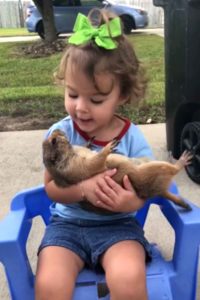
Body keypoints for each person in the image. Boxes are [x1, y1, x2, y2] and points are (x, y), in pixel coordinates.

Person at [35, 8, 153, 300]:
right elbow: (50, 187)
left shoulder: (132, 138)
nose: (81, 108)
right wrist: (82, 190)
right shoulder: (59, 136)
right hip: (66, 227)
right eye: (73, 94)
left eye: (96, 99)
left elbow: (147, 186)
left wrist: (131, 201)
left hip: (118, 227)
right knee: (50, 283)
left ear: (122, 95)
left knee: (128, 278)